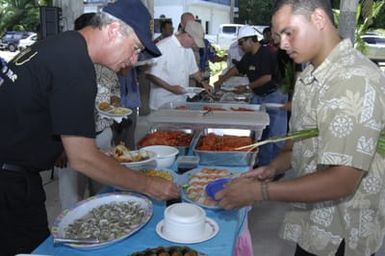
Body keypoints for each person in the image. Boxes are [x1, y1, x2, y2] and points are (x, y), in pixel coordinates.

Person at [0, 0, 179, 255]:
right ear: (114, 29)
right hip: (9, 185)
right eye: (135, 48)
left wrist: (81, 151)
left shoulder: (63, 46)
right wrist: (147, 185)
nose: (133, 60)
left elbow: (37, 114)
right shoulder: (76, 65)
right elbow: (83, 160)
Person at [217, 1, 385, 256]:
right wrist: (273, 168)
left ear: (318, 19)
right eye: (278, 36)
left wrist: (260, 191)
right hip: (313, 226)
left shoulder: (354, 80)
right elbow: (295, 145)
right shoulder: (310, 78)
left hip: (342, 234)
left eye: (288, 33)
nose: (283, 45)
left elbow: (343, 180)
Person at [56, 12, 121, 210]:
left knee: (103, 192)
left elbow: (115, 92)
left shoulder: (107, 66)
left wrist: (114, 105)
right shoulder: (62, 67)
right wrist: (60, 146)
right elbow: (57, 108)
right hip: (70, 141)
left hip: (102, 134)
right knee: (71, 199)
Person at [214, 25, 288, 167]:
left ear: (250, 40)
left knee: (276, 135)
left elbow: (267, 77)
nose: (240, 47)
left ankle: (277, 167)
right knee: (261, 133)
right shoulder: (248, 56)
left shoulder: (266, 53)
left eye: (242, 43)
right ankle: (263, 163)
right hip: (259, 95)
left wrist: (247, 87)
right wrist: (221, 80)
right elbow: (237, 68)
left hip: (274, 96)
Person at [147, 21, 212, 110]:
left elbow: (194, 71)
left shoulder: (188, 50)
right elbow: (151, 75)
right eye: (193, 43)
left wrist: (203, 83)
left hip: (181, 101)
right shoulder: (163, 47)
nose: (194, 46)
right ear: (187, 35)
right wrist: (171, 88)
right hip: (161, 103)